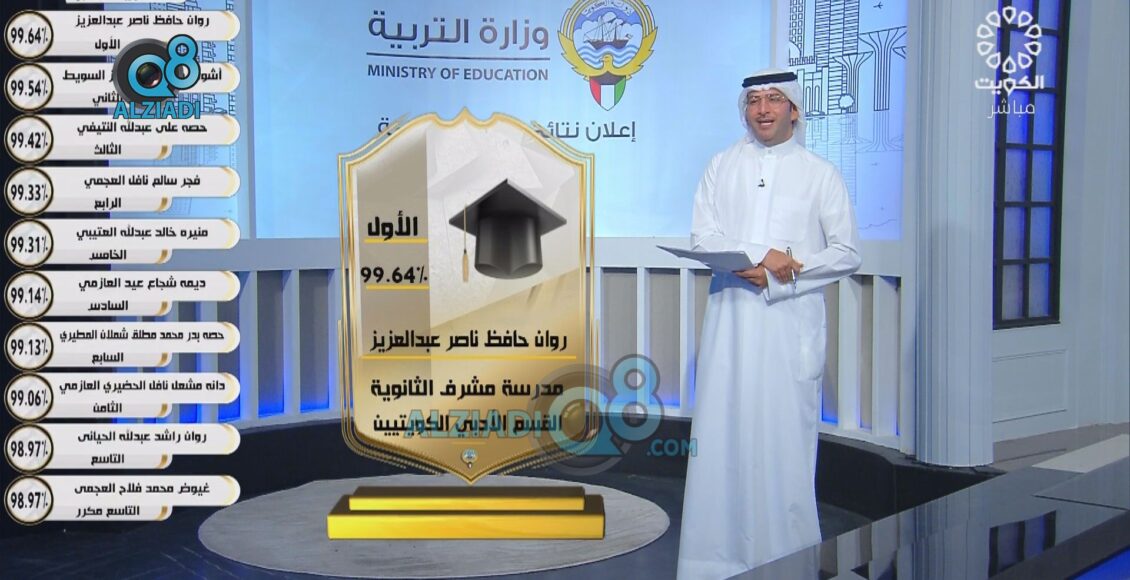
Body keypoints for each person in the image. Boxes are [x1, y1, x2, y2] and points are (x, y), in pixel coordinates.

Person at [676, 68, 861, 579]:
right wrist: (761, 255)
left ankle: (788, 565)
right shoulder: (720, 166)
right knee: (722, 442)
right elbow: (703, 238)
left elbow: (847, 253)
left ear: (794, 110)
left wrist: (785, 271)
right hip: (730, 324)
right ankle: (711, 565)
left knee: (783, 449)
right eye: (754, 100)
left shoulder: (820, 173)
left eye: (775, 99)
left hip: (788, 327)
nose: (763, 109)